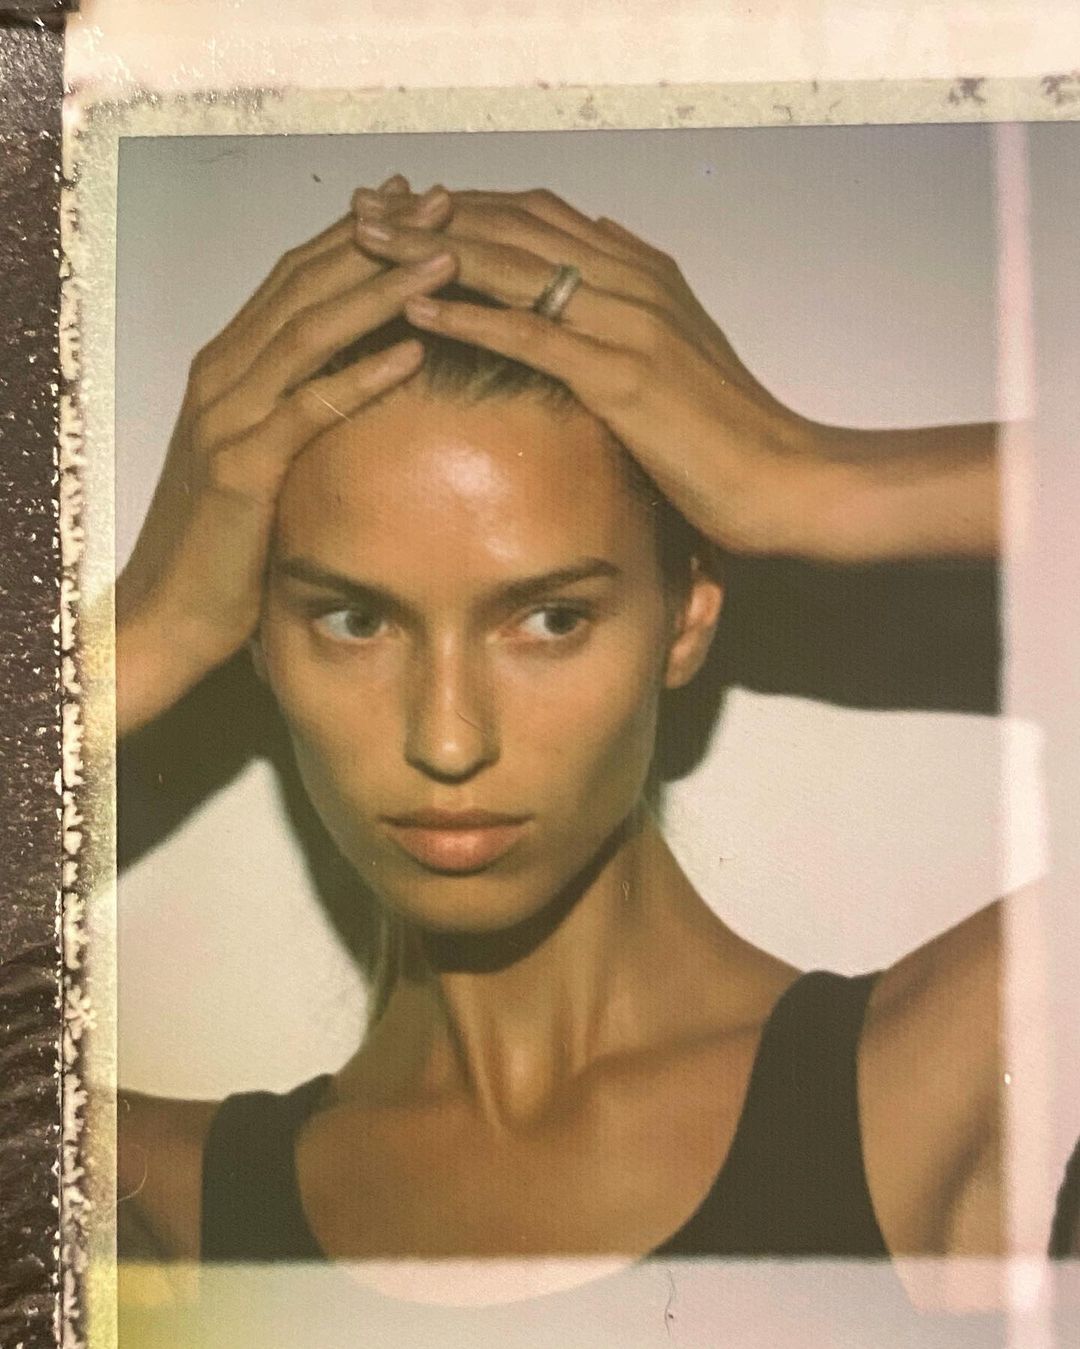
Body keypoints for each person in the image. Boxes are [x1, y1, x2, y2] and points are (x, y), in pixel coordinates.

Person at [112, 174, 1017, 1298]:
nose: (449, 741)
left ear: (686, 614)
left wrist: (811, 478)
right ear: (253, 635)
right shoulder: (162, 1199)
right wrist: (137, 638)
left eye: (550, 619)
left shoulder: (940, 1077)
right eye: (353, 620)